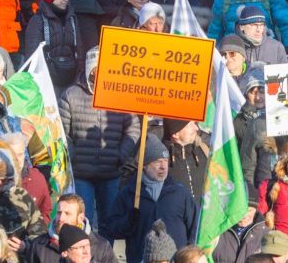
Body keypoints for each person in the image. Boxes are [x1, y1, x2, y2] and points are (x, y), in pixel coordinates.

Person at [59, 47, 139, 229]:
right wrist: (73, 156)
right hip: (81, 173)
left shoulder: (121, 96)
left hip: (111, 172)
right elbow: (61, 131)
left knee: (109, 222)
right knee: (81, 221)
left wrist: (120, 154)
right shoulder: (71, 95)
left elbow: (133, 129)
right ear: (89, 69)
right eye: (97, 69)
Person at [102, 134, 198, 263]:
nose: (163, 167)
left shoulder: (180, 192)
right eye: (157, 162)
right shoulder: (128, 194)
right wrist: (127, 222)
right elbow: (111, 228)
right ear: (144, 165)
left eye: (165, 161)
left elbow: (195, 227)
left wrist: (189, 256)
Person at [23, 0, 80, 89]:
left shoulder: (72, 19)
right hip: (46, 81)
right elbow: (32, 56)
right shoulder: (37, 21)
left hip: (71, 79)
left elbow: (80, 50)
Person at [27, 194, 117, 263]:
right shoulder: (39, 246)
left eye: (67, 213)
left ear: (80, 218)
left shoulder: (101, 246)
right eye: (59, 212)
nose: (61, 218)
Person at [212, 185, 267, 263]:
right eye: (240, 210)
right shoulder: (218, 230)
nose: (244, 215)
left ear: (256, 210)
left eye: (250, 210)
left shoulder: (266, 234)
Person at [162, 119, 208, 200]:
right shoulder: (161, 160)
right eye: (191, 125)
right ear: (176, 133)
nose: (196, 128)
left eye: (195, 123)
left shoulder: (203, 151)